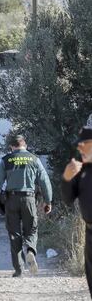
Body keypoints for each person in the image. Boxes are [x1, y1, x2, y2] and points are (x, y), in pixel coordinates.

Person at [0, 134, 53, 278]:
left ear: (11, 147)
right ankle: (30, 250)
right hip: (29, 199)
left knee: (14, 234)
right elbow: (44, 181)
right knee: (32, 229)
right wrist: (48, 201)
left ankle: (19, 270)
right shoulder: (34, 159)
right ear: (25, 145)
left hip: (12, 200)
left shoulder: (6, 160)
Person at [62, 126, 92, 297]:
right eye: (78, 145)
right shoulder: (81, 171)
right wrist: (66, 178)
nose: (79, 148)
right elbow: (68, 199)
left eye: (84, 144)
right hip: (89, 233)